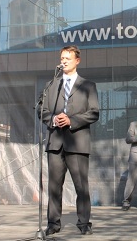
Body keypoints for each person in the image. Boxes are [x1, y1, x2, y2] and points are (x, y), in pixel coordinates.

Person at [38, 45, 99, 236]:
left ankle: (84, 223)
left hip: (77, 142)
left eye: (68, 58)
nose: (64, 61)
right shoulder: (51, 85)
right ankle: (53, 224)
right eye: (62, 58)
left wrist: (72, 120)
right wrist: (53, 119)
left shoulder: (88, 85)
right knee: (54, 186)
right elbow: (41, 109)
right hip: (55, 142)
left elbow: (94, 112)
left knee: (81, 186)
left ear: (77, 61)